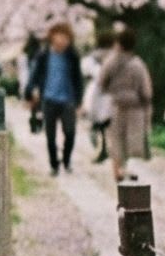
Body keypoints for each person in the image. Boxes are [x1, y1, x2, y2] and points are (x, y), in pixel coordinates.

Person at [96, 28, 154, 181]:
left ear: (118, 43)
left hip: (115, 105)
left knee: (116, 138)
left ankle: (117, 171)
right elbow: (146, 90)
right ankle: (129, 168)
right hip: (135, 108)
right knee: (133, 138)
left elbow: (101, 83)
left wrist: (111, 91)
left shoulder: (110, 62)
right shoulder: (138, 64)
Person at [27, 24, 83, 174]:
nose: (62, 41)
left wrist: (79, 101)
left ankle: (66, 159)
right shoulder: (44, 55)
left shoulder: (72, 56)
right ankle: (54, 165)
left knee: (70, 132)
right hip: (49, 98)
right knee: (50, 134)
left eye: (66, 38)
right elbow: (34, 75)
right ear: (52, 37)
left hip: (68, 99)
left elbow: (78, 79)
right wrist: (30, 92)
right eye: (60, 36)